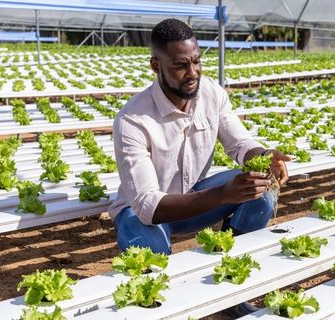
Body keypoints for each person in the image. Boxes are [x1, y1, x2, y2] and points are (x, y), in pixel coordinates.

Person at [108, 19, 290, 315]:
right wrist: (222, 195)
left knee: (262, 187)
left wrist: (264, 154)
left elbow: (239, 143)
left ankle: (232, 285)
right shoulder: (132, 120)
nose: (192, 73)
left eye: (196, 62)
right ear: (156, 65)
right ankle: (166, 307)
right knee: (152, 258)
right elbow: (147, 206)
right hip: (143, 213)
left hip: (193, 199)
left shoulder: (211, 93)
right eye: (181, 65)